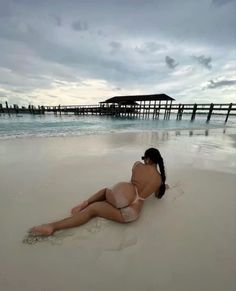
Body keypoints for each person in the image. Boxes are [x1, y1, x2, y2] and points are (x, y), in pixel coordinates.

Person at [30, 148, 167, 236]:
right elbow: (157, 194)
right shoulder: (159, 179)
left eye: (144, 158)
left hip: (123, 198)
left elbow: (134, 182)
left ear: (148, 158)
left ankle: (53, 226)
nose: (143, 160)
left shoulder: (138, 165)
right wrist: (163, 186)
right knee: (109, 199)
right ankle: (88, 204)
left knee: (94, 207)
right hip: (132, 213)